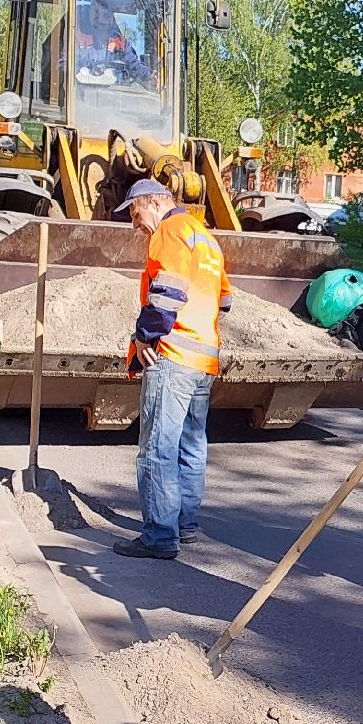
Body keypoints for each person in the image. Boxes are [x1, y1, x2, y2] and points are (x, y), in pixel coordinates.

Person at [112, 178, 232, 561]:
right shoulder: (205, 238)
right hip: (204, 359)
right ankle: (185, 524)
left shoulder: (169, 231)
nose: (135, 224)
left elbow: (167, 291)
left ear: (154, 202)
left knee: (157, 447)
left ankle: (160, 536)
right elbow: (224, 300)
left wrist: (146, 337)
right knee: (191, 444)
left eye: (134, 212)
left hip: (175, 356)